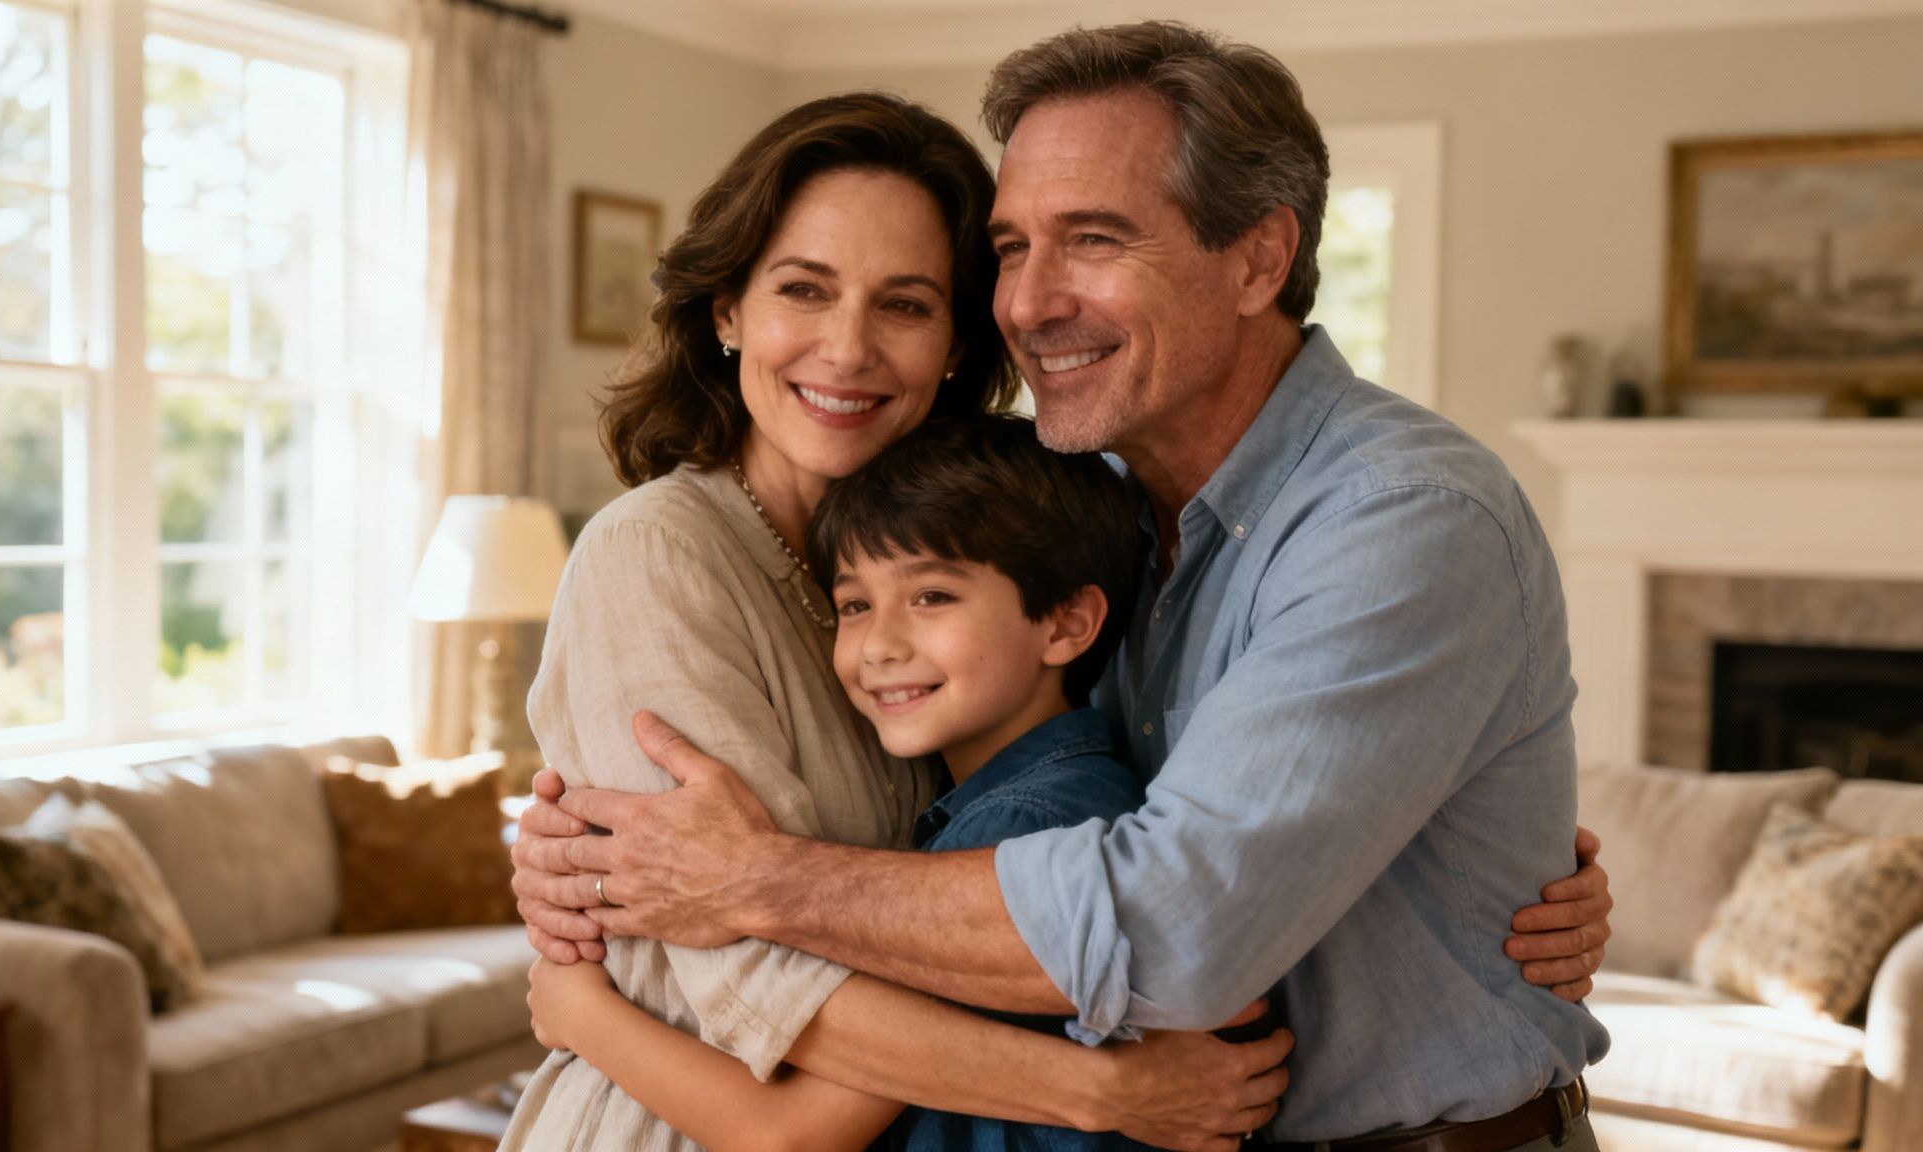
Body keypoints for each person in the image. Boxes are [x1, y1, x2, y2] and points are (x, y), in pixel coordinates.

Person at [515, 22, 1616, 1152]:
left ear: (1258, 259)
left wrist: (751, 879)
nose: (1030, 303)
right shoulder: (1071, 513)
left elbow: (1175, 927)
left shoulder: (1399, 518)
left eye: (1093, 239)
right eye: (1011, 248)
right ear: (727, 309)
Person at [496, 90, 1302, 1152]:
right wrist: (1099, 1091)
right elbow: (757, 985)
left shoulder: (993, 557)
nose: (847, 350)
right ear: (727, 310)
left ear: (957, 343)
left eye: (905, 305)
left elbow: (1191, 821)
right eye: (803, 289)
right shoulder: (656, 552)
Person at [526, 414, 1184, 1151]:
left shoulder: (1020, 831)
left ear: (1065, 625)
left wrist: (581, 1014)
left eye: (932, 597)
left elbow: (789, 1135)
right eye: (855, 606)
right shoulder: (1023, 798)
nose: (879, 646)